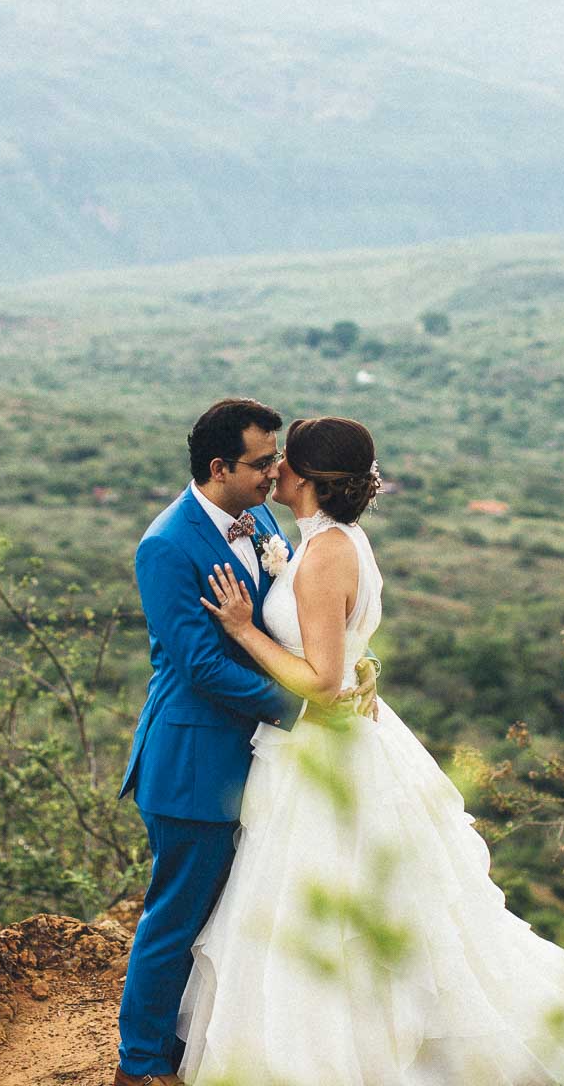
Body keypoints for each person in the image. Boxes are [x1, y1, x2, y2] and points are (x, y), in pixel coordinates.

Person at [179, 415, 564, 1085]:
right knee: (340, 908)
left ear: (304, 477)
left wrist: (246, 630)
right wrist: (362, 665)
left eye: (282, 462)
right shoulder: (336, 541)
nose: (271, 471)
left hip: (326, 748)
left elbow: (320, 680)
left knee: (329, 907)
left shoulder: (327, 552)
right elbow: (342, 647)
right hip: (334, 745)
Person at [114, 398, 376, 1086]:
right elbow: (200, 665)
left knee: (232, 919)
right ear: (219, 466)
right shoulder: (166, 545)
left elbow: (295, 621)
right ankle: (140, 1065)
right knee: (176, 917)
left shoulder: (258, 518)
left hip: (261, 761)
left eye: (278, 461)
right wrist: (309, 710)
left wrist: (343, 671)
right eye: (263, 463)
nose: (276, 472)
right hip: (194, 759)